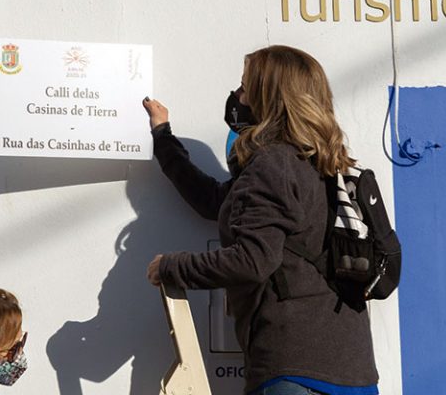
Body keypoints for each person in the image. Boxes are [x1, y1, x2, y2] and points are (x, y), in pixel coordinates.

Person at [142, 45, 379, 395]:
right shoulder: (330, 166)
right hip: (355, 372)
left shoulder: (272, 164)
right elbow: (216, 201)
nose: (237, 97)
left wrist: (172, 267)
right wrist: (163, 138)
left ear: (268, 98)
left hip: (295, 368)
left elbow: (252, 260)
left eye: (244, 87)